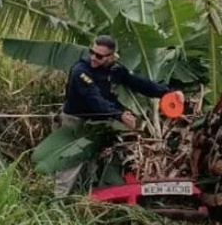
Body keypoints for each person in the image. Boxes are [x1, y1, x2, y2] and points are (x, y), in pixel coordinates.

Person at [54, 34, 177, 197]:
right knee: (71, 163)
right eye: (92, 52)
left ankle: (85, 198)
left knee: (92, 163)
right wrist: (119, 115)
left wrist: (169, 92)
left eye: (99, 55)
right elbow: (95, 100)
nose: (93, 58)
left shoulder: (115, 69)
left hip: (97, 124)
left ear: (111, 56)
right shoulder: (81, 71)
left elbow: (140, 83)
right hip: (76, 123)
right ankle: (58, 200)